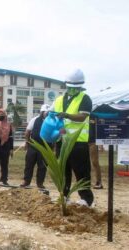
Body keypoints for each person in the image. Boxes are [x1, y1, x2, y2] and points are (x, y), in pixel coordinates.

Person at [53, 68, 94, 207]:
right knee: (63, 170)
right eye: (70, 87)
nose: (72, 90)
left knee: (81, 171)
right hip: (62, 140)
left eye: (75, 88)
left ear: (81, 87)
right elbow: (52, 114)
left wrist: (67, 115)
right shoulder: (59, 99)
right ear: (66, 85)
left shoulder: (85, 98)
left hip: (78, 142)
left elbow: (82, 117)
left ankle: (86, 199)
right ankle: (64, 196)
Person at [21, 104, 51, 189]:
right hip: (33, 146)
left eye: (48, 112)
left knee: (42, 166)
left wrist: (53, 148)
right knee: (29, 164)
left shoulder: (52, 121)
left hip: (45, 148)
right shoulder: (34, 120)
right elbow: (27, 131)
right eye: (45, 112)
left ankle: (40, 183)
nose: (47, 114)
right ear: (41, 112)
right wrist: (27, 142)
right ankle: (26, 181)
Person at [89, 115, 103, 189]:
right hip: (82, 142)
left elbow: (99, 130)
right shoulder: (79, 116)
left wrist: (100, 144)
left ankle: (99, 182)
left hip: (93, 142)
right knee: (83, 163)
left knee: (95, 162)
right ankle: (86, 182)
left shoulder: (94, 116)